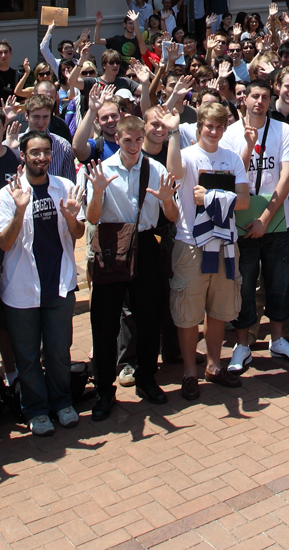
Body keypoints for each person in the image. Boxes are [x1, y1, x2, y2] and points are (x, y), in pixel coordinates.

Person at [82, 115, 179, 418]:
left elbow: (172, 216)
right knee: (105, 321)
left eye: (138, 140)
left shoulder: (155, 169)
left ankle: (146, 378)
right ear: (118, 139)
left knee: (149, 316)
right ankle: (104, 389)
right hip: (112, 244)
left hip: (145, 243)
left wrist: (167, 201)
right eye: (128, 140)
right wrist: (98, 192)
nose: (134, 146)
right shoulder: (102, 170)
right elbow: (92, 218)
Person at [0, 131, 86, 433]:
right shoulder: (8, 193)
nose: (41, 158)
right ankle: (35, 410)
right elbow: (4, 243)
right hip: (21, 289)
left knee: (59, 351)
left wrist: (72, 217)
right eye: (34, 152)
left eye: (46, 152)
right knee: (27, 355)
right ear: (23, 156)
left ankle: (62, 402)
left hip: (58, 285)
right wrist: (20, 209)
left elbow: (78, 233)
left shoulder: (65, 186)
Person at [164, 101, 250, 399]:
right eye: (208, 126)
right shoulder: (187, 156)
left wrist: (211, 196)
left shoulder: (232, 159)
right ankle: (190, 372)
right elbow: (173, 173)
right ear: (199, 127)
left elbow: (244, 201)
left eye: (219, 127)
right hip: (191, 243)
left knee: (218, 310)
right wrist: (173, 133)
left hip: (224, 244)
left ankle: (214, 365)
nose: (213, 132)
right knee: (189, 312)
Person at [220, 79, 289, 371]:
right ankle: (243, 345)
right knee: (243, 286)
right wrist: (247, 145)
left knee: (279, 283)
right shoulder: (230, 134)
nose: (260, 102)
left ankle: (277, 340)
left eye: (265, 97)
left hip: (276, 219)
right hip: (242, 221)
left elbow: (286, 177)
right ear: (244, 99)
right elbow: (231, 176)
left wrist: (265, 219)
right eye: (255, 96)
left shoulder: (283, 130)